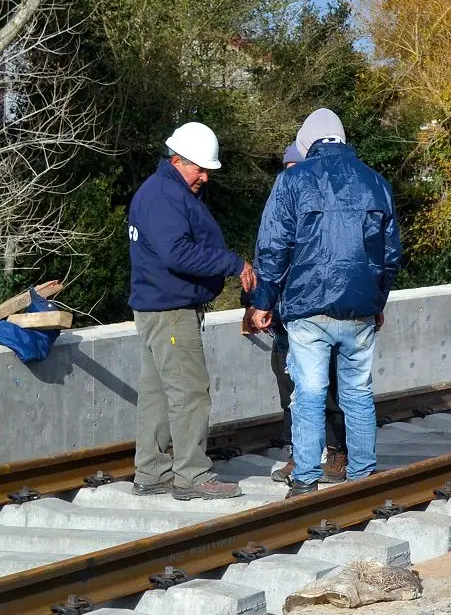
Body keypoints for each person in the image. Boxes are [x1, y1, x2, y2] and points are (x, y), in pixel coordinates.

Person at [248, 110, 401, 496]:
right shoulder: (376, 182)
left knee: (310, 393)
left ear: (308, 144)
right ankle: (363, 476)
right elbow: (390, 255)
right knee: (358, 392)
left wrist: (262, 301)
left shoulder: (292, 181)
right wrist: (377, 300)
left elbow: (273, 247)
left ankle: (304, 479)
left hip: (307, 307)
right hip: (360, 309)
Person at [127, 122, 255, 499]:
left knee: (158, 394)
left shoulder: (159, 191)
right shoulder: (166, 196)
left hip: (154, 307)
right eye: (199, 168)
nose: (205, 177)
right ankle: (192, 476)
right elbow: (176, 252)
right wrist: (231, 263)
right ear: (177, 159)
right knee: (189, 392)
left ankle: (151, 470)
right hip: (171, 311)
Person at [248, 143, 347, 485]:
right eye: (287, 169)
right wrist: (258, 302)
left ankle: (336, 450)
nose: (290, 175)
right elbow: (268, 255)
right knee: (289, 383)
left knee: (326, 382)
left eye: (296, 168)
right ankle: (299, 452)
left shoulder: (321, 209)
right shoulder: (281, 202)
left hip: (314, 311)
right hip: (284, 315)